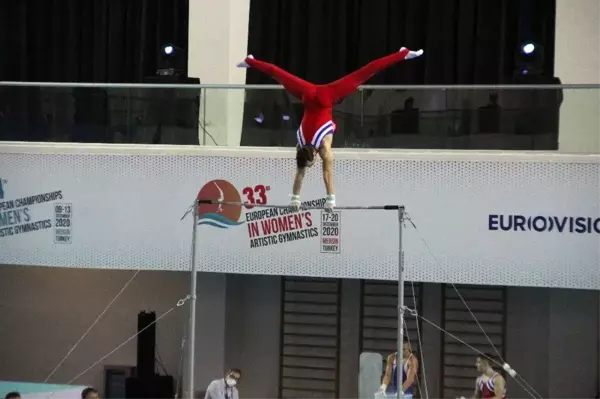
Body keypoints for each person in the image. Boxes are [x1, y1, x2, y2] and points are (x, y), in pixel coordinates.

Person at [237, 47, 423, 211]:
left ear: (313, 156)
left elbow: (325, 173)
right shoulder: (300, 145)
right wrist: (295, 200)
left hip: (326, 96)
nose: (312, 165)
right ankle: (250, 61)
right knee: (278, 74)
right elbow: (303, 171)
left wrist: (330, 201)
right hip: (307, 95)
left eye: (312, 163)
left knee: (365, 73)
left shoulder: (324, 148)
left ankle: (403, 54)